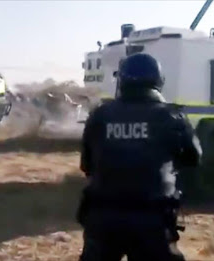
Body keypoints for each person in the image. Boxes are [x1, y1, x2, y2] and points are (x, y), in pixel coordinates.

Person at [77, 53, 202, 261]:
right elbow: (194, 158)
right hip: (152, 220)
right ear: (158, 81)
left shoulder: (99, 115)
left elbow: (86, 165)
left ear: (122, 81)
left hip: (103, 217)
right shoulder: (172, 117)